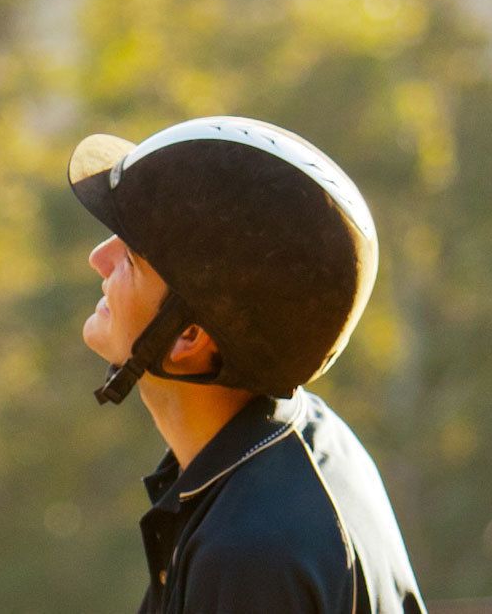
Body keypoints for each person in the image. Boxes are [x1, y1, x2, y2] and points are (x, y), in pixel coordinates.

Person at [68, 115, 427, 614]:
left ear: (188, 337)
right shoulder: (294, 448)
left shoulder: (249, 557)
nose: (98, 259)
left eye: (131, 256)